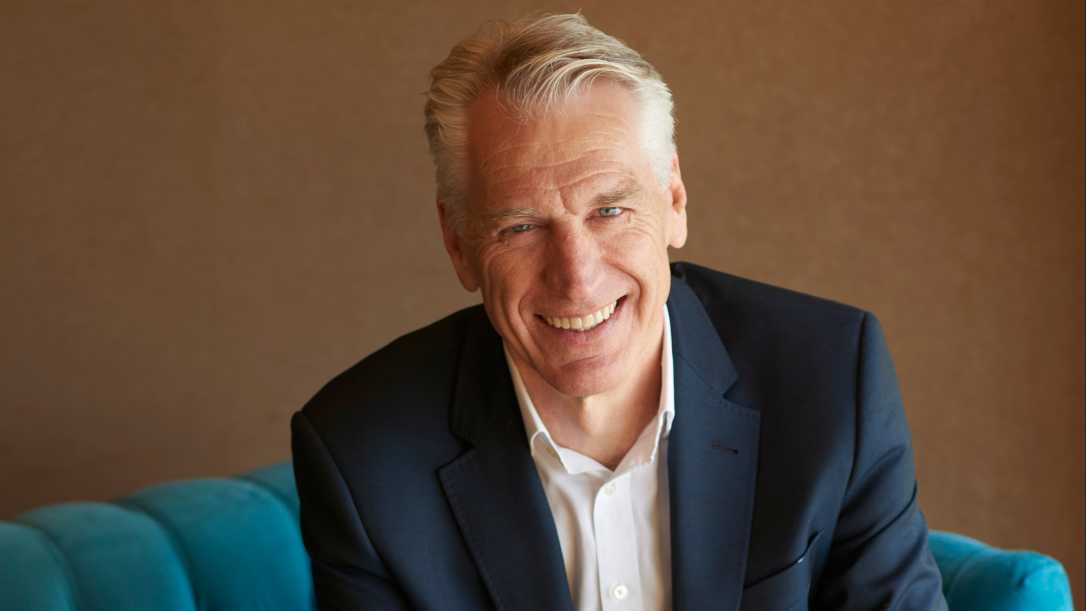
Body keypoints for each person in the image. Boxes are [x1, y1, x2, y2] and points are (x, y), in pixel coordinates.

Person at [291, 13, 948, 611]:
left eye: (610, 209)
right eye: (520, 226)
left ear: (675, 199)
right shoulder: (361, 454)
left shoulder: (832, 380)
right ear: (458, 243)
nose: (576, 277)